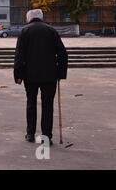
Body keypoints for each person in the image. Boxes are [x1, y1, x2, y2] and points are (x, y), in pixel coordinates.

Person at [14, 9, 68, 145]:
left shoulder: (25, 31)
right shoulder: (51, 31)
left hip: (30, 75)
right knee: (47, 105)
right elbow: (62, 53)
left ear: (29, 19)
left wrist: (18, 75)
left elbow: (19, 56)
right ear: (41, 18)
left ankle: (30, 134)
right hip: (50, 76)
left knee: (31, 103)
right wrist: (60, 73)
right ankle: (46, 137)